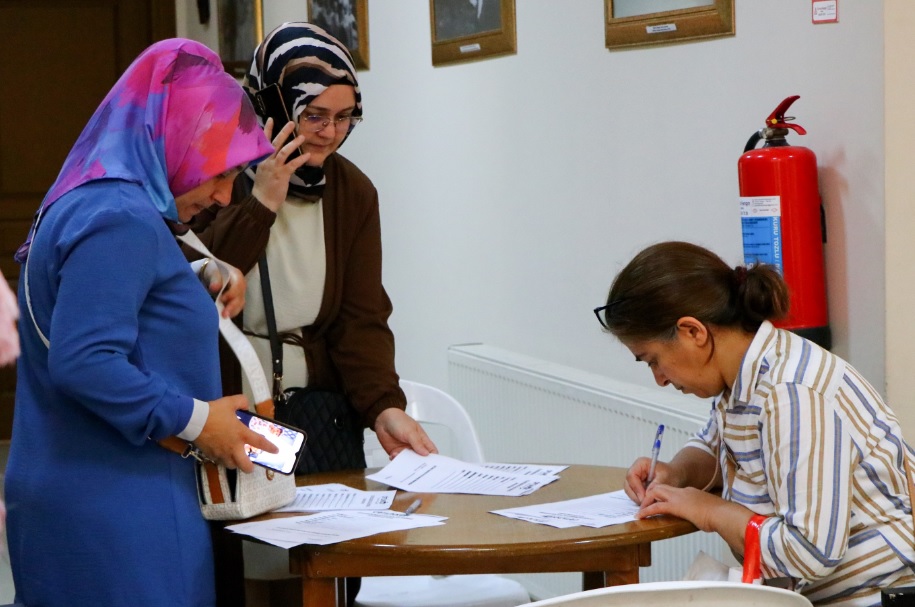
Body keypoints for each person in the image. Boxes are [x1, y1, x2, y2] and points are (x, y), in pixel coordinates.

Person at [4, 39, 278, 607]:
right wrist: (201, 421)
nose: (225, 195)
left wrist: (193, 277)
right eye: (219, 172)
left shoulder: (88, 195)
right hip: (122, 505)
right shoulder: (122, 218)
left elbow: (86, 297)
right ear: (175, 138)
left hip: (74, 485)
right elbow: (85, 361)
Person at [188, 22, 437, 606]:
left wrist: (384, 407)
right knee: (246, 572)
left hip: (318, 418)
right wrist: (263, 202)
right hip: (236, 410)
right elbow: (198, 284)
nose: (330, 132)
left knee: (321, 575)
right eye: (314, 115)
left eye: (345, 117)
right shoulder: (214, 180)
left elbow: (361, 318)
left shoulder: (353, 192)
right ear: (273, 105)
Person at [595, 241, 915, 606]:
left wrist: (709, 511)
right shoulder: (743, 376)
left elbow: (809, 551)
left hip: (877, 595)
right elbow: (716, 445)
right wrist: (677, 473)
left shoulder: (792, 393)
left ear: (693, 332)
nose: (660, 379)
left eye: (653, 360)